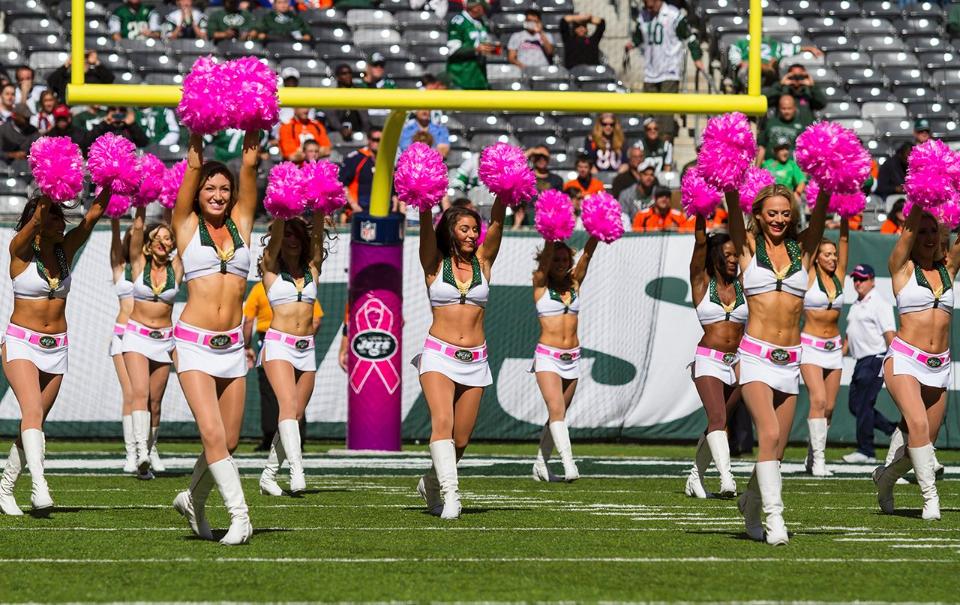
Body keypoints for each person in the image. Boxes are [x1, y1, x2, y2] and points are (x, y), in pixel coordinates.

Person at [169, 129, 259, 545]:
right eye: (210, 187)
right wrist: (196, 132)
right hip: (192, 343)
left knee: (232, 439)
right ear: (199, 191)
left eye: (225, 188)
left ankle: (193, 499)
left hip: (232, 348)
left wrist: (253, 132)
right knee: (211, 434)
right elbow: (191, 166)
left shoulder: (242, 224)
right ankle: (241, 517)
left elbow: (251, 166)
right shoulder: (185, 225)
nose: (219, 194)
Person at [728, 183, 830, 545]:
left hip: (790, 362)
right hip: (755, 356)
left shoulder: (802, 250)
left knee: (777, 448)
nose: (779, 219)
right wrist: (727, 179)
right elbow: (731, 209)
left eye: (785, 213)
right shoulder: (748, 249)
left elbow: (819, 217)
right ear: (758, 214)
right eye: (772, 212)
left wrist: (830, 181)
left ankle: (750, 504)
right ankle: (775, 519)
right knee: (768, 435)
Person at [0, 187, 112, 515]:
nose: (60, 221)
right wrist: (49, 186)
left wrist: (110, 179)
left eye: (61, 215)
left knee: (34, 422)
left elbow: (92, 216)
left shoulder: (65, 250)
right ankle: (39, 484)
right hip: (21, 342)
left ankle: (5, 488)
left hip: (56, 347)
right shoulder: (20, 250)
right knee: (32, 412)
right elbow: (35, 219)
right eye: (53, 215)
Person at [413, 190, 507, 519]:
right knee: (442, 422)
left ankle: (431, 480)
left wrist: (506, 193)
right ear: (450, 230)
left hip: (475, 359)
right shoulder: (434, 263)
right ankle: (452, 495)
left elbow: (497, 221)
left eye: (473, 230)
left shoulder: (483, 263)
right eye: (464, 229)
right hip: (438, 354)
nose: (471, 235)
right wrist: (423, 199)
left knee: (462, 439)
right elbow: (426, 226)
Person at [872, 205, 959, 521]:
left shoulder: (949, 269)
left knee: (919, 444)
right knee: (919, 426)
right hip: (905, 360)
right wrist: (923, 197)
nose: (927, 236)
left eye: (932, 230)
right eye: (921, 231)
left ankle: (885, 478)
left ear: (941, 236)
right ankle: (930, 499)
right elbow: (907, 231)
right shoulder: (902, 268)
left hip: (939, 367)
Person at [256, 218, 327, 496]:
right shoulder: (270, 268)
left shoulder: (312, 268)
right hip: (278, 346)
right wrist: (282, 213)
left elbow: (318, 233)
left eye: (298, 235)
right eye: (287, 235)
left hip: (306, 347)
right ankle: (297, 469)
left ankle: (268, 475)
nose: (293, 240)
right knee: (287, 406)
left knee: (296, 415)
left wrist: (321, 208)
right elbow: (274, 244)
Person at [530, 236, 599, 482]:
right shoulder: (540, 283)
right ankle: (569, 464)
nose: (560, 263)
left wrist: (597, 231)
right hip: (547, 356)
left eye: (564, 259)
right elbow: (547, 260)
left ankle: (541, 464)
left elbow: (588, 254)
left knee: (558, 414)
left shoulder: (575, 282)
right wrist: (551, 236)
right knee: (557, 410)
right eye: (555, 259)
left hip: (572, 358)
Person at [685, 222, 746, 498]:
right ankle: (727, 477)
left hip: (738, 362)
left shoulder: (744, 284)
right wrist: (700, 208)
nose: (733, 260)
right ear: (716, 256)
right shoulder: (701, 281)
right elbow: (700, 242)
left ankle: (695, 478)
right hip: (708, 360)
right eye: (728, 255)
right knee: (718, 417)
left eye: (736, 255)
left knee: (718, 423)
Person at [123, 207, 182, 480]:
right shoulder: (139, 263)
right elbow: (136, 231)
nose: (162, 242)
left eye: (167, 239)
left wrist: (174, 205)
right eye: (157, 238)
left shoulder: (177, 267)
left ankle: (148, 451)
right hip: (136, 335)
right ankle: (139, 452)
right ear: (148, 243)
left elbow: (182, 232)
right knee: (140, 392)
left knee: (155, 402)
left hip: (164, 340)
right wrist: (143, 205)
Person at [243, 274, 323, 452]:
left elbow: (248, 320)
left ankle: (270, 438)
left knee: (270, 393)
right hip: (298, 341)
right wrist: (304, 340)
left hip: (271, 339)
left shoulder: (259, 289)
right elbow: (316, 319)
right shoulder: (300, 288)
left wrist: (246, 346)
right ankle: (297, 440)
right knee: (296, 395)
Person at [799, 219, 848, 477]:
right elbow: (808, 244)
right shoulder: (809, 275)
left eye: (834, 255)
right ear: (817, 257)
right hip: (810, 346)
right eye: (826, 255)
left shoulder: (839, 276)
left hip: (834, 348)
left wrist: (845, 216)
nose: (832, 258)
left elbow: (845, 241)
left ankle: (811, 455)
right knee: (817, 400)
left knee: (828, 407)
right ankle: (819, 460)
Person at [842, 264, 897, 464]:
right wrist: (843, 349)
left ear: (872, 280)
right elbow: (850, 332)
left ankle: (866, 450)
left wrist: (894, 361)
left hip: (875, 359)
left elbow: (890, 334)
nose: (858, 283)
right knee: (855, 406)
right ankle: (893, 430)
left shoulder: (879, 304)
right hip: (861, 361)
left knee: (864, 405)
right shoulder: (857, 303)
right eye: (855, 279)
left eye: (862, 279)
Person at [625, 0, 703, 139]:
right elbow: (639, 36)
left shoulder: (674, 15)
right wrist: (633, 43)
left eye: (651, 5)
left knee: (666, 114)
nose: (649, 8)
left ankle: (666, 145)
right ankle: (651, 147)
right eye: (646, 5)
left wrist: (697, 58)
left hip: (670, 70)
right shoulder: (643, 15)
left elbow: (689, 37)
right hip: (650, 70)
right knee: (649, 112)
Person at [110, 218, 136, 474]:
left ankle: (147, 450)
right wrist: (116, 219)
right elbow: (116, 247)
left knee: (148, 398)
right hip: (121, 336)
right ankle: (131, 453)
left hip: (145, 337)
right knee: (130, 394)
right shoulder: (121, 266)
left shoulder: (150, 269)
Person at [727, 35, 821, 90]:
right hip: (748, 71)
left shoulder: (772, 44)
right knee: (749, 67)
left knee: (772, 66)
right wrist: (749, 63)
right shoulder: (740, 43)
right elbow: (736, 61)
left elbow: (789, 48)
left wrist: (809, 49)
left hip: (768, 74)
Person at [446, 0, 494, 90]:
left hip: (478, 77)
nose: (484, 11)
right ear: (476, 8)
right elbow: (453, 50)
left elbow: (482, 43)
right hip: (461, 78)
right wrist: (476, 49)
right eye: (483, 7)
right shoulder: (459, 22)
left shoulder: (481, 22)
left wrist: (489, 48)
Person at [513, 146, 564, 227]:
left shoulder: (557, 180)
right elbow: (513, 166)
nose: (541, 159)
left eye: (544, 157)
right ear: (532, 158)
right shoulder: (526, 175)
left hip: (548, 220)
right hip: (526, 218)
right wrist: (531, 151)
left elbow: (560, 203)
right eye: (538, 156)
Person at [340, 128, 380, 217]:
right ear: (369, 140)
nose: (379, 143)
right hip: (358, 212)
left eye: (382, 140)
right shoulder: (357, 158)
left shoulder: (387, 160)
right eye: (376, 140)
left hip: (381, 212)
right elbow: (342, 183)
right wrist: (354, 206)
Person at [47, 52, 116, 103]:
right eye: (79, 60)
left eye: (85, 59)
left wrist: (97, 63)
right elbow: (51, 81)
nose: (83, 62)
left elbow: (110, 79)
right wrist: (66, 65)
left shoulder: (95, 76)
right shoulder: (66, 77)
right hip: (69, 111)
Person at [325, 65, 370, 141]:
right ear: (338, 76)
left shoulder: (358, 92)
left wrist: (365, 132)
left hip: (358, 132)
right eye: (344, 73)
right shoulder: (333, 94)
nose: (348, 75)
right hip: (337, 132)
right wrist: (341, 129)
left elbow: (364, 116)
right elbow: (331, 116)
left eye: (350, 73)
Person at [757, 95, 804, 164]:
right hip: (770, 166)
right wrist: (757, 167)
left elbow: (803, 152)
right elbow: (762, 147)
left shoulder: (800, 126)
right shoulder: (770, 123)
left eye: (789, 108)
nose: (786, 111)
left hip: (790, 169)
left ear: (794, 108)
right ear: (779, 108)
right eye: (783, 108)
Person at [85, 107, 149, 149]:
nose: (117, 112)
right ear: (108, 112)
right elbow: (87, 142)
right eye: (113, 109)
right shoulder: (104, 127)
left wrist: (132, 125)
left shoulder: (129, 127)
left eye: (122, 110)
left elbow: (143, 143)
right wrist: (104, 123)